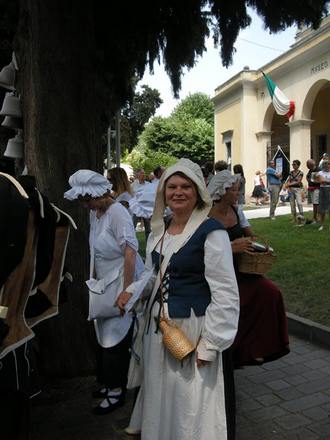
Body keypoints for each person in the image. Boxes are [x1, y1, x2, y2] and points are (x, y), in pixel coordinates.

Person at [117, 158, 239, 440]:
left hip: (192, 330)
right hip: (158, 331)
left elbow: (225, 293)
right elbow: (151, 276)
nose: (178, 192)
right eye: (172, 186)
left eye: (186, 186)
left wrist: (211, 344)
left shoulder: (212, 232)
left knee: (190, 403)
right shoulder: (159, 231)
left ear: (198, 191)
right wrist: (132, 293)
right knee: (161, 393)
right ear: (163, 193)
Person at [64, 170, 144, 415]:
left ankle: (117, 391)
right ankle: (110, 382)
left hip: (122, 279)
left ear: (98, 193)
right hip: (106, 282)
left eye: (88, 200)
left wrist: (127, 292)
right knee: (105, 335)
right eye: (82, 201)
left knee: (116, 336)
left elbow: (130, 252)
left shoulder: (117, 212)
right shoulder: (95, 213)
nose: (85, 205)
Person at [208, 170, 289, 368]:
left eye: (237, 189)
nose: (237, 193)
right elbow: (201, 247)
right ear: (222, 191)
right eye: (234, 190)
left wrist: (255, 244)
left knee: (270, 292)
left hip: (242, 270)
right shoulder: (205, 214)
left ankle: (259, 347)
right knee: (235, 304)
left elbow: (250, 234)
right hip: (217, 273)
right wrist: (231, 247)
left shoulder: (236, 211)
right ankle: (234, 352)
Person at [316, 160, 330, 231]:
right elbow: (320, 180)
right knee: (322, 209)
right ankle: (322, 225)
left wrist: (325, 180)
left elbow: (322, 180)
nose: (327, 165)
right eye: (325, 164)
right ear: (323, 165)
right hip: (322, 191)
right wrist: (325, 181)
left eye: (328, 164)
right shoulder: (320, 172)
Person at [306, 159, 320, 223]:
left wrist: (310, 180)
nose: (306, 166)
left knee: (316, 203)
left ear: (311, 164)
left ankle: (316, 217)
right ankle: (315, 217)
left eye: (307, 164)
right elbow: (308, 177)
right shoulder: (310, 170)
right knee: (314, 203)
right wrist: (309, 179)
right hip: (311, 188)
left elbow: (316, 180)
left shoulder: (318, 170)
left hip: (316, 188)